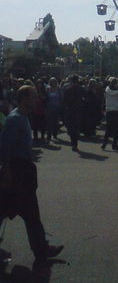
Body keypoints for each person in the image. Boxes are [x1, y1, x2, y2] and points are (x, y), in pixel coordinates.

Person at [0, 85, 63, 262]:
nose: (37, 100)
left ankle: (41, 248)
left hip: (23, 170)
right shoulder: (15, 119)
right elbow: (5, 147)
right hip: (16, 170)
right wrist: (6, 171)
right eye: (33, 97)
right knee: (23, 212)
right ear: (24, 98)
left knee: (28, 213)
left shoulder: (23, 117)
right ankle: (41, 248)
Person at [63, 75, 85, 152]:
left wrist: (66, 107)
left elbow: (64, 100)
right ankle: (75, 142)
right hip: (78, 110)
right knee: (76, 127)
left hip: (70, 110)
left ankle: (73, 142)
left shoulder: (67, 89)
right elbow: (85, 98)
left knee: (71, 127)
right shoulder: (81, 88)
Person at [101, 77, 118, 150]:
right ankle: (114, 145)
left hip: (108, 110)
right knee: (116, 129)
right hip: (116, 110)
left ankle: (104, 143)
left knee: (108, 128)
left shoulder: (106, 90)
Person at [45, 77, 61, 141]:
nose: (53, 83)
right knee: (49, 122)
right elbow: (46, 98)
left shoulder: (58, 89)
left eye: (54, 82)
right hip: (49, 108)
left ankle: (55, 134)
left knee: (55, 122)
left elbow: (61, 98)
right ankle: (49, 135)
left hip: (57, 107)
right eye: (51, 82)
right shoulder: (47, 89)